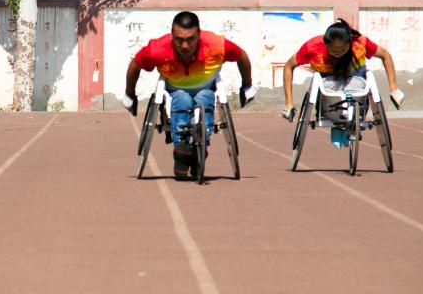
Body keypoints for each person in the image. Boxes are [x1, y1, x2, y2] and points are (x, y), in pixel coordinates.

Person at [122, 11, 256, 180]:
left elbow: (241, 56)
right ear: (172, 35)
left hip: (206, 86)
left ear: (199, 34)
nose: (184, 46)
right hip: (176, 88)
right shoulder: (158, 48)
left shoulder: (215, 44)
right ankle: (181, 149)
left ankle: (202, 145)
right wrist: (130, 94)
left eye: (190, 39)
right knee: (182, 99)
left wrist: (247, 85)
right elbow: (135, 65)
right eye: (179, 40)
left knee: (205, 97)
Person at [281, 18, 405, 148]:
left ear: (349, 43)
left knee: (357, 85)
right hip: (328, 87)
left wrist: (394, 89)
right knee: (327, 88)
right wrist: (289, 103)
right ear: (325, 44)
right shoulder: (313, 46)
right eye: (333, 49)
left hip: (356, 82)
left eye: (342, 49)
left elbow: (386, 56)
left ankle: (350, 120)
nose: (338, 52)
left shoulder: (360, 43)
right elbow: (289, 66)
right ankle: (337, 123)